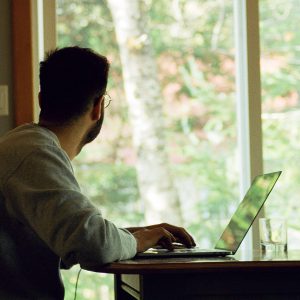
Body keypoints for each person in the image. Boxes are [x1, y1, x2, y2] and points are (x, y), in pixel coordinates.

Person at [0, 46, 195, 299]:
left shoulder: (24, 146)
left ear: (41, 99)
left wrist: (134, 235)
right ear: (98, 107)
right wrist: (137, 242)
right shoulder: (34, 152)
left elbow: (68, 237)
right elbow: (92, 245)